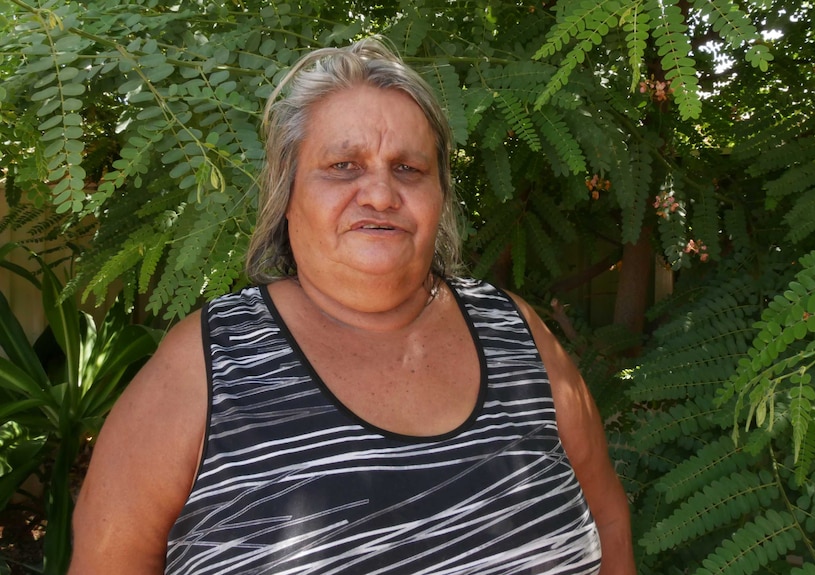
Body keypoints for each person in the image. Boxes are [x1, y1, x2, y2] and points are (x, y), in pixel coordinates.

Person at [69, 37, 636, 575]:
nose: (381, 194)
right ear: (286, 194)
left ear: (439, 197)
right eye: (344, 166)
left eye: (409, 169)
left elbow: (607, 516)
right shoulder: (204, 367)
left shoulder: (517, 334)